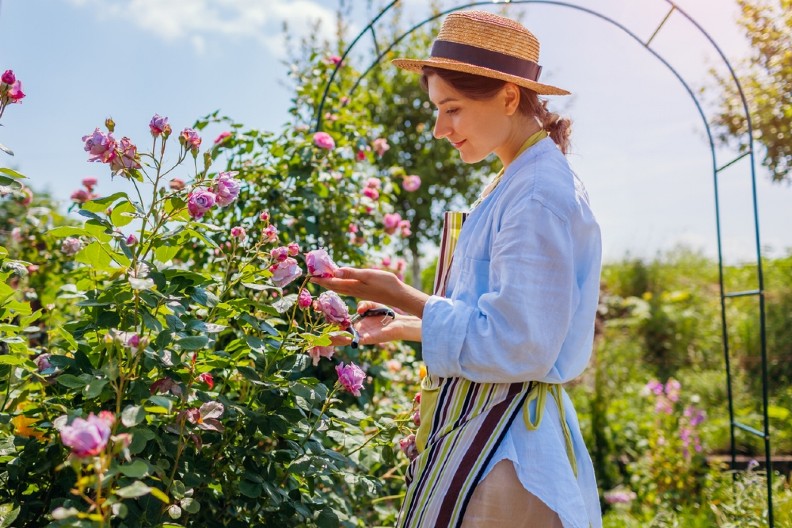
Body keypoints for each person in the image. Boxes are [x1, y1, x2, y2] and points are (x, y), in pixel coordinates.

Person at [312, 10, 602, 528]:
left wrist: (403, 294)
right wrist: (412, 326)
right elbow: (501, 321)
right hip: (498, 437)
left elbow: (520, 343)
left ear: (509, 96)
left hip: (506, 447)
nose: (440, 129)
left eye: (453, 109)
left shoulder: (536, 192)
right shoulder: (519, 180)